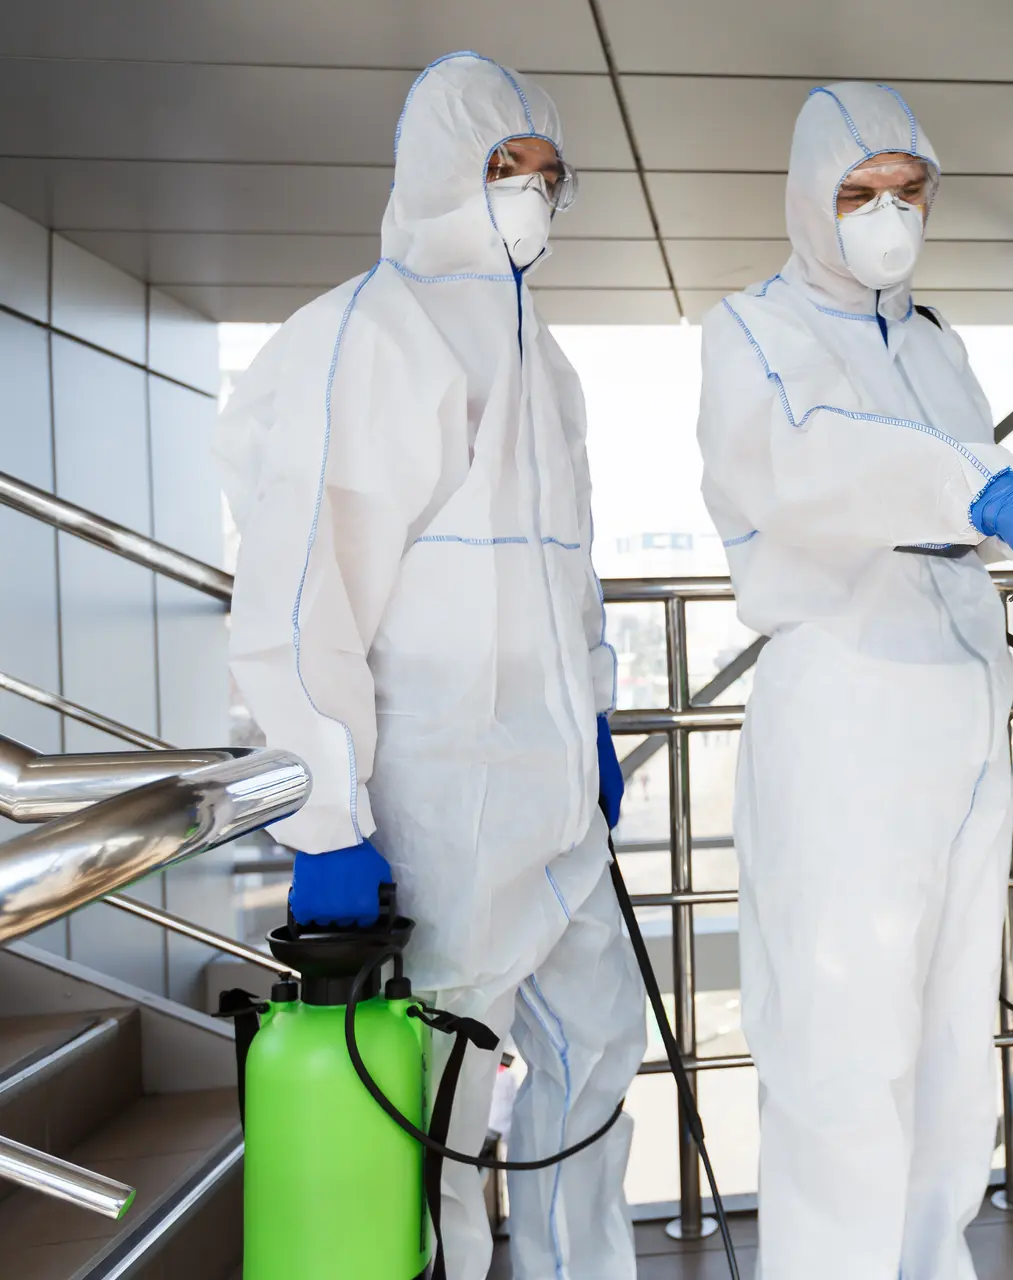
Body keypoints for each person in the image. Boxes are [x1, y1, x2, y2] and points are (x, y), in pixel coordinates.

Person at [696, 82, 1013, 1280]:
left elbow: (957, 487)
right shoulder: (751, 329)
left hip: (962, 719)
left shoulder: (939, 340)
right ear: (811, 201)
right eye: (860, 194)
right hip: (848, 711)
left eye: (909, 193)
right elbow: (799, 465)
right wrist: (986, 489)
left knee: (954, 1056)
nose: (887, 215)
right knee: (842, 1057)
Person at [216, 52, 643, 1280]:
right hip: (443, 821)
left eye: (548, 177)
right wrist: (325, 817)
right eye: (507, 168)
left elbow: (570, 574)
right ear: (440, 172)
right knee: (436, 1125)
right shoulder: (371, 331)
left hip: (558, 812)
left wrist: (596, 722)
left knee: (598, 1064)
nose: (530, 195)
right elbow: (308, 596)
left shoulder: (544, 359)